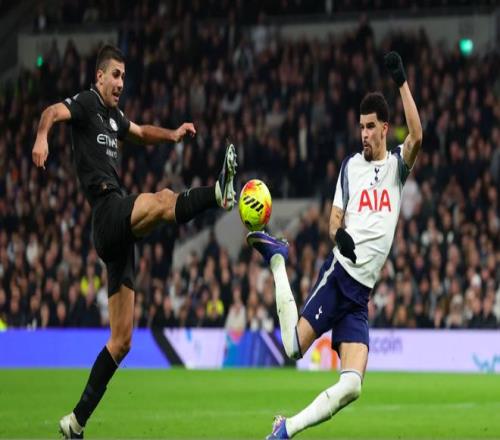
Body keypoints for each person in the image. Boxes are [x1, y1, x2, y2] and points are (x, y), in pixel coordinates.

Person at [31, 44, 237, 438]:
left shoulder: (114, 117)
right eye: (116, 75)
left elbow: (141, 133)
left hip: (118, 236)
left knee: (122, 340)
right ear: (99, 76)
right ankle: (218, 193)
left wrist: (172, 134)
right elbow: (51, 112)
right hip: (106, 212)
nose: (121, 82)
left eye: (124, 76)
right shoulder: (87, 103)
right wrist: (42, 138)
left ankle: (75, 421)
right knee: (163, 199)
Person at [247, 52, 422, 439]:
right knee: (293, 348)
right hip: (340, 276)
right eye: (361, 127)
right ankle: (277, 260)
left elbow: (417, 136)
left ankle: (285, 430)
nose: (364, 134)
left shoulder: (396, 167)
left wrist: (402, 83)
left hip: (361, 295)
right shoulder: (350, 167)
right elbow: (333, 221)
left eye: (370, 127)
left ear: (384, 129)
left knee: (353, 386)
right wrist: (339, 235)